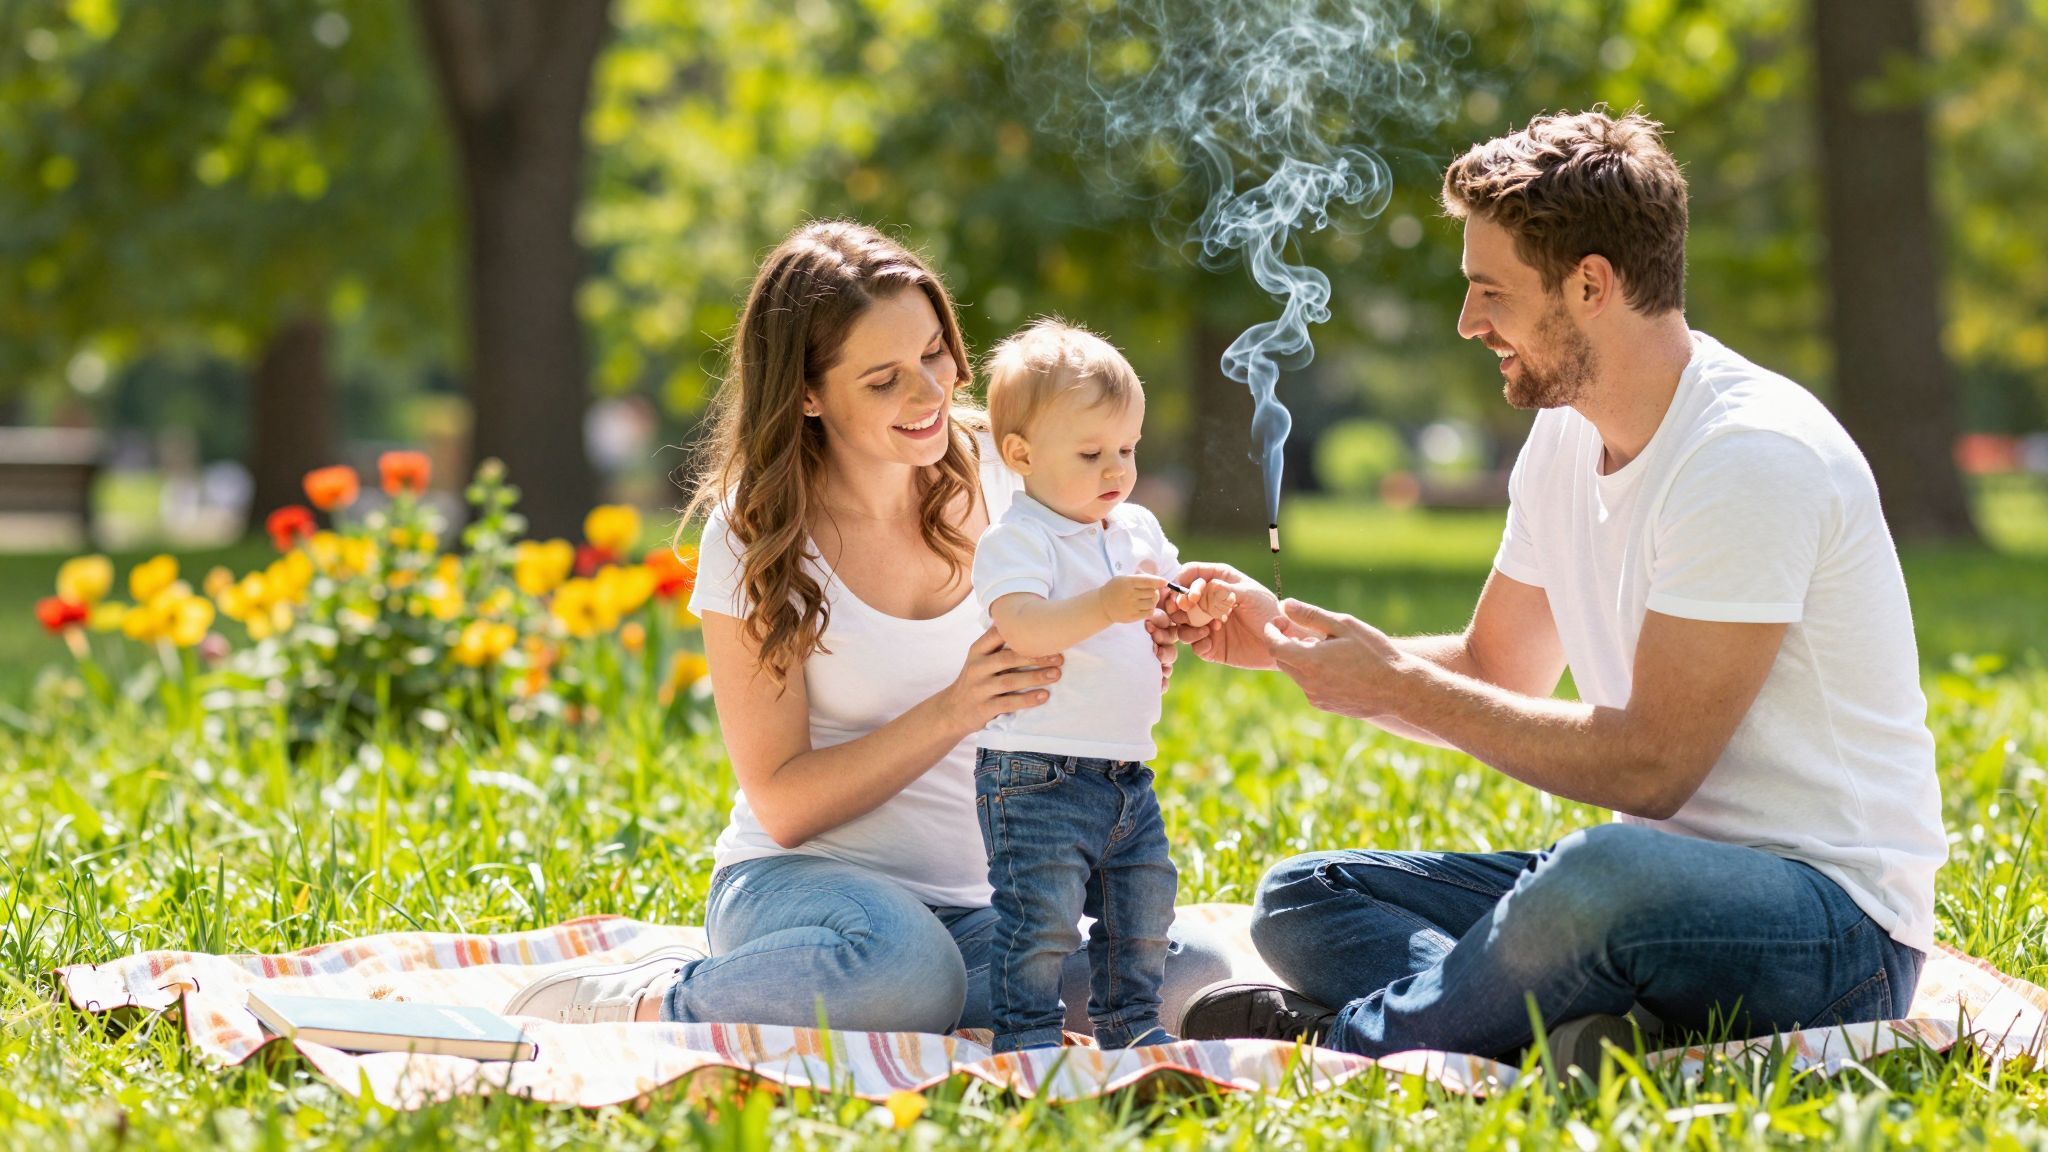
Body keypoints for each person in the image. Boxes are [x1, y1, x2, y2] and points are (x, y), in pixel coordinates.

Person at [1172, 109, 1946, 1066]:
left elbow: (1651, 768)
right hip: (1657, 894)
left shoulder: (1750, 454)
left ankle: (1349, 1039)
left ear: (1591, 284)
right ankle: (1552, 1021)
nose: (1468, 323)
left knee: (1595, 880)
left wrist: (1399, 687)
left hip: (1833, 926)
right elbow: (1498, 665)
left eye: (1489, 292)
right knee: (1307, 895)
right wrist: (1286, 645)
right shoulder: (1565, 435)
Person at [504, 221, 1229, 1032]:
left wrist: (1150, 635)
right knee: (902, 969)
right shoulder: (755, 537)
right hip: (807, 885)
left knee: (1188, 970)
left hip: (985, 905)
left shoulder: (1012, 467)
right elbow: (781, 802)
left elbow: (1094, 621)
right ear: (807, 394)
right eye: (883, 380)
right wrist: (957, 707)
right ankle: (650, 999)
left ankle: (911, 1001)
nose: (927, 394)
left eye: (934, 354)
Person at [969, 320, 1237, 1051]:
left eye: (1127, 449)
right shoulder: (1017, 539)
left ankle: (1130, 1027)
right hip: (1037, 775)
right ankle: (1026, 1036)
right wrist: (1102, 607)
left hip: (1126, 774)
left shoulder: (1138, 526)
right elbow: (1021, 626)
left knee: (1142, 913)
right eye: (1091, 454)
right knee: (1040, 921)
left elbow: (1168, 598)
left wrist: (1190, 607)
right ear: (1020, 455)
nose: (1115, 470)